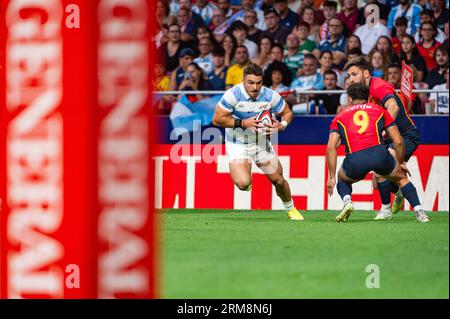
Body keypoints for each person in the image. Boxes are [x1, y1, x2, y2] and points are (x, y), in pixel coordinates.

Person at [212, 63, 305, 221]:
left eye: (258, 83)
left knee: (278, 180)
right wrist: (243, 123)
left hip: (261, 143)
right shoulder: (233, 95)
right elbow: (217, 119)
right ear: (243, 81)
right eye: (250, 82)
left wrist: (281, 125)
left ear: (262, 81)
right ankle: (246, 174)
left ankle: (291, 209)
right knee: (243, 184)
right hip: (237, 143)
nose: (255, 87)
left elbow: (287, 113)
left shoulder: (270, 96)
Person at [326, 82, 430, 223]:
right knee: (400, 178)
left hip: (355, 160)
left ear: (349, 99)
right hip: (379, 155)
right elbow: (398, 140)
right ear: (368, 96)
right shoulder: (379, 110)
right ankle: (420, 212)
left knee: (342, 179)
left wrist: (331, 177)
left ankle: (347, 201)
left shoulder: (339, 117)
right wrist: (400, 162)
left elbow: (331, 146)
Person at [344, 56, 421, 221]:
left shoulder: (378, 85)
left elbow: (392, 107)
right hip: (387, 138)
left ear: (366, 73)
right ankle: (398, 195)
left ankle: (388, 210)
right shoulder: (363, 93)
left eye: (354, 74)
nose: (351, 79)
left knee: (381, 173)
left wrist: (382, 131)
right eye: (349, 76)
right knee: (381, 179)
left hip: (405, 134)